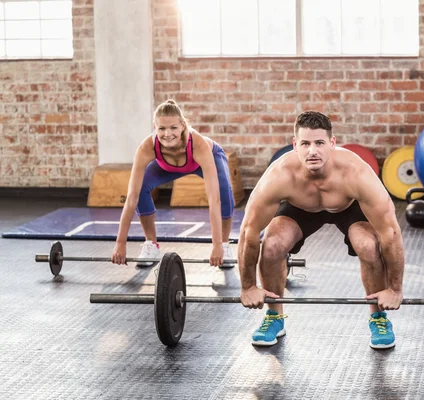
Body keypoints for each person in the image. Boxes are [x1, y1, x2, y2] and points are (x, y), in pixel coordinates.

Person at [238, 111, 405, 349]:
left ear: (332, 144)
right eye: (305, 144)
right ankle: (274, 317)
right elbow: (248, 233)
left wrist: (395, 289)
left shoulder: (356, 174)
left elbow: (391, 234)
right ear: (295, 145)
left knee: (369, 246)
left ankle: (378, 317)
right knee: (272, 245)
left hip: (348, 206)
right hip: (299, 208)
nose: (312, 151)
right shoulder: (279, 175)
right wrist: (248, 287)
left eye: (319, 143)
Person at [111, 99, 235, 268]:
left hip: (203, 159)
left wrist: (217, 245)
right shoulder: (147, 147)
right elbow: (131, 197)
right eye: (162, 128)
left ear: (183, 126)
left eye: (173, 128)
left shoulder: (198, 144)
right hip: (167, 166)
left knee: (223, 192)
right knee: (140, 191)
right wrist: (120, 243)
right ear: (155, 128)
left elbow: (214, 200)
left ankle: (226, 245)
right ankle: (151, 245)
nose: (167, 134)